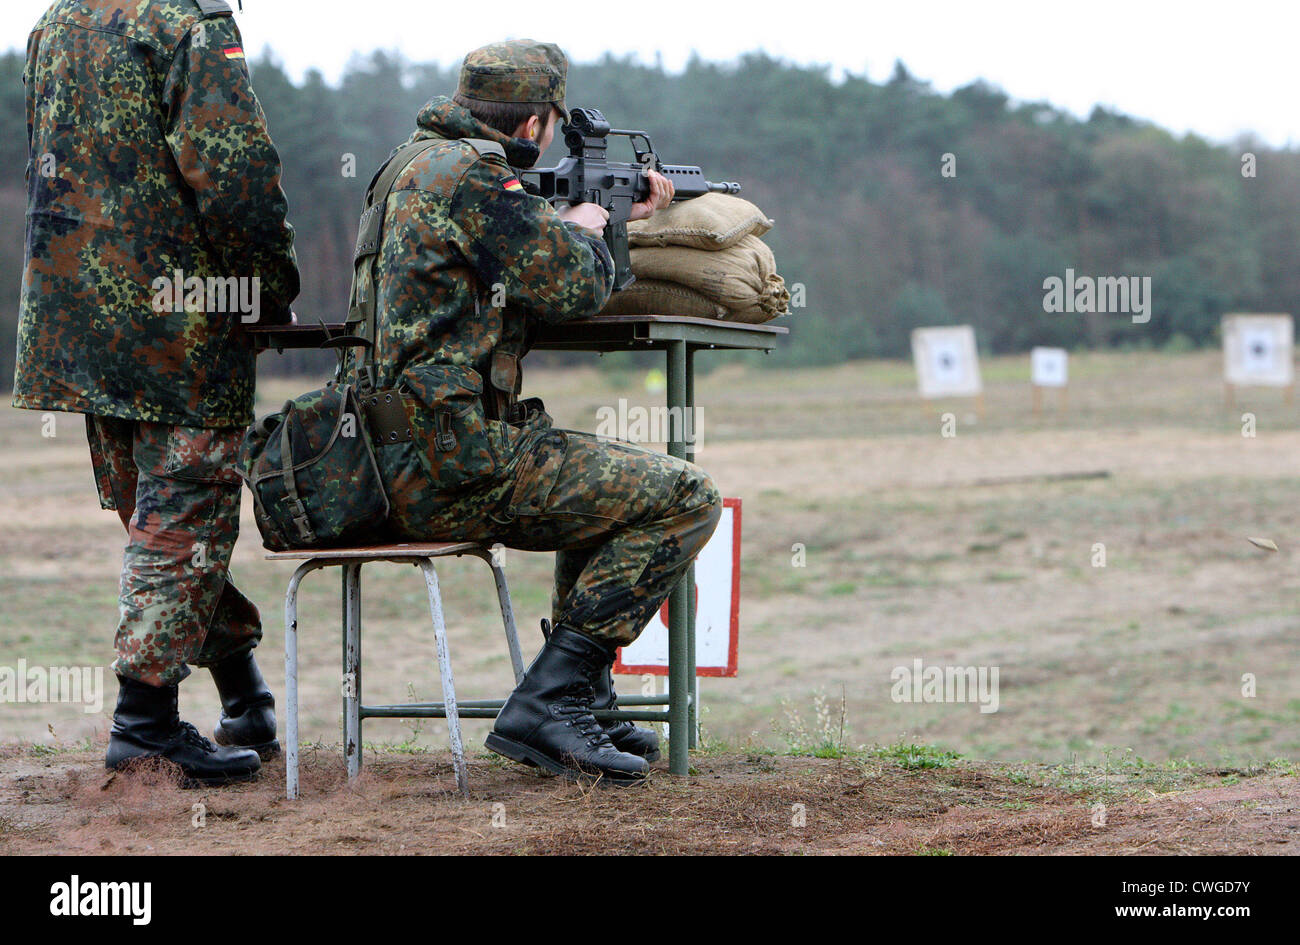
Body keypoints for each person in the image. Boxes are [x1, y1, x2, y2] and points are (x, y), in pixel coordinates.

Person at [350, 39, 721, 784]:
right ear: (532, 128)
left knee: (595, 479)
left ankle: (582, 696)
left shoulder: (408, 165)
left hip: (374, 458)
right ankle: (551, 700)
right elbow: (578, 290)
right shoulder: (477, 179)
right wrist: (600, 226)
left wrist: (562, 225)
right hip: (449, 465)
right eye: (550, 124)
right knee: (686, 498)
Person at [14, 0, 299, 786]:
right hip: (179, 326)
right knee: (181, 524)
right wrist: (267, 288)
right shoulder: (187, 23)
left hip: (79, 324)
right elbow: (236, 175)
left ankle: (244, 695)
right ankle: (144, 727)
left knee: (161, 525)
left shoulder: (57, 21)